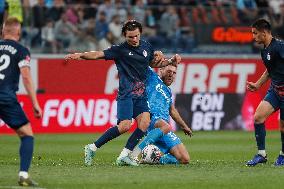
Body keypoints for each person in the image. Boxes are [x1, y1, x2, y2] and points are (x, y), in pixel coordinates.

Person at [64, 20, 180, 166]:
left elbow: (153, 64)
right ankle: (92, 147)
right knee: (125, 126)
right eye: (130, 37)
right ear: (125, 36)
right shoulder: (119, 50)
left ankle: (125, 156)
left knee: (144, 124)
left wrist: (170, 60)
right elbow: (98, 54)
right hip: (126, 94)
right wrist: (80, 55)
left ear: (140, 34)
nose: (134, 39)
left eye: (136, 36)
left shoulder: (146, 47)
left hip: (141, 95)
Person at [0, 17, 42, 186]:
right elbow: (25, 76)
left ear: (3, 31)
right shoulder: (21, 50)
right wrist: (35, 104)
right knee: (27, 135)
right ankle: (23, 174)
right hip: (6, 97)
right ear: (18, 32)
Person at [126, 64, 192, 165]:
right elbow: (142, 61)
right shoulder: (152, 77)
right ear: (161, 70)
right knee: (165, 126)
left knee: (185, 159)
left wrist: (184, 126)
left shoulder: (168, 92)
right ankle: (134, 154)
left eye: (174, 73)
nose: (171, 75)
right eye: (169, 71)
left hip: (163, 129)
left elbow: (172, 111)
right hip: (151, 118)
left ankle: (156, 159)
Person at [246, 18, 284, 166]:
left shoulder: (280, 47)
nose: (253, 37)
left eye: (255, 33)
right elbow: (270, 71)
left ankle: (282, 155)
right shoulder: (265, 51)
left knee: (282, 127)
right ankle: (261, 154)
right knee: (258, 118)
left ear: (264, 32)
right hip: (275, 91)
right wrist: (257, 85)